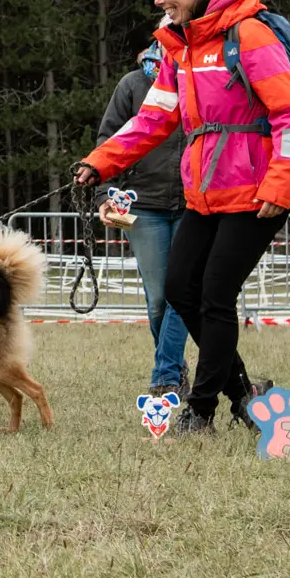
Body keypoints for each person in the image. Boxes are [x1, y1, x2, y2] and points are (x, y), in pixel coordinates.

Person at [74, 0, 290, 435]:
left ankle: (200, 411)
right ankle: (245, 393)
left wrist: (281, 181)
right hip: (205, 192)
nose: (159, 1)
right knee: (181, 288)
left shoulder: (250, 35)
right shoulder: (182, 49)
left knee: (215, 295)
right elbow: (151, 120)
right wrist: (100, 163)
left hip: (257, 193)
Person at [97, 41, 191, 397]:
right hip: (141, 205)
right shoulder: (133, 84)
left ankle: (165, 376)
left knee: (181, 293)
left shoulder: (202, 81)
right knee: (157, 300)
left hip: (193, 203)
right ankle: (175, 367)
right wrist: (104, 193)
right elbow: (109, 140)